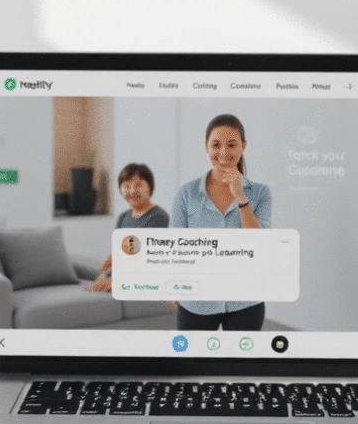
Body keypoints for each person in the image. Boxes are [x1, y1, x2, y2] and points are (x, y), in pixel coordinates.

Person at [170, 114, 272, 331]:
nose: (224, 153)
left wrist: (240, 197)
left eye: (232, 145)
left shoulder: (261, 193)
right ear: (206, 147)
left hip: (246, 299)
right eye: (216, 145)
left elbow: (260, 244)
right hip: (196, 299)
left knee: (240, 365)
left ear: (243, 146)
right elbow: (173, 246)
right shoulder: (187, 194)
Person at [88, 163, 169, 292]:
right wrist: (111, 260)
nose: (132, 191)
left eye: (138, 185)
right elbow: (121, 252)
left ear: (151, 188)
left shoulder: (158, 217)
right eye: (126, 186)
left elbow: (149, 263)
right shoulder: (123, 217)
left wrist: (116, 281)